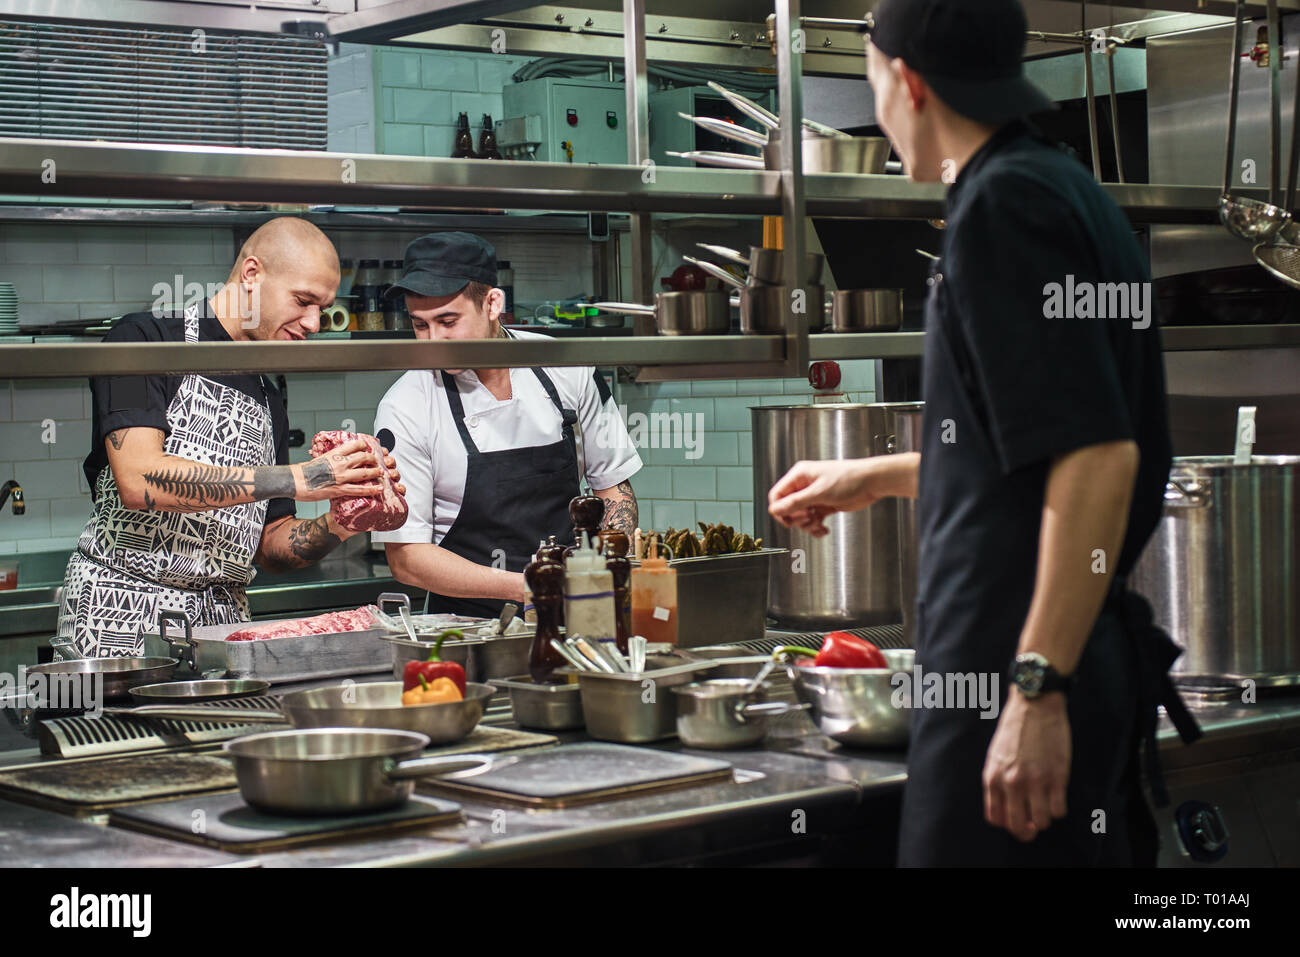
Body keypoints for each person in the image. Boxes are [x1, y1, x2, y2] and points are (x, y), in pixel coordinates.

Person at [768, 0, 1198, 866]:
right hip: (1037, 673)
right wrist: (875, 475)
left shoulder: (1004, 209)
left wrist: (1036, 689)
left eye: (871, 75)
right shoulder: (1060, 185)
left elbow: (1097, 458)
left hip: (1016, 680)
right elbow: (1035, 453)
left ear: (911, 83)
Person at [57, 217, 403, 658]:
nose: (316, 322)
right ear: (252, 274)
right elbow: (139, 480)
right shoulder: (142, 340)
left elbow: (271, 545)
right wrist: (301, 477)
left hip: (222, 625)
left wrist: (346, 519)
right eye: (303, 300)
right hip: (119, 617)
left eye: (323, 307)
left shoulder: (268, 394)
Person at [373, 232, 641, 618]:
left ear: (493, 303)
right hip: (465, 628)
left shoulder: (564, 365)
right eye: (420, 325)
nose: (434, 341)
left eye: (449, 321)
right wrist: (529, 587)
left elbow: (614, 489)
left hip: (579, 610)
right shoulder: (405, 405)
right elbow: (407, 558)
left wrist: (605, 569)